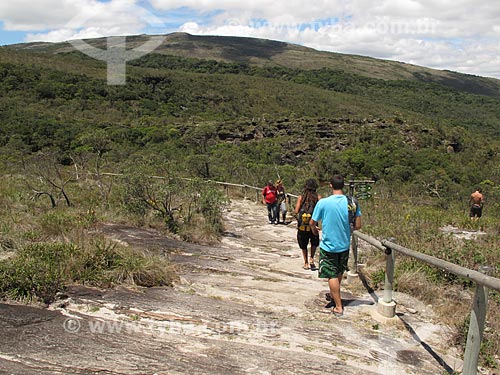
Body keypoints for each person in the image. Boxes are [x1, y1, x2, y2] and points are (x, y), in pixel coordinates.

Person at [310, 174, 361, 317]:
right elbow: (358, 225)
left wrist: (315, 231)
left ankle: (338, 306)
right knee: (339, 272)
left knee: (331, 274)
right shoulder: (352, 202)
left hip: (329, 246)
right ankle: (335, 295)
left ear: (330, 185)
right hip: (344, 244)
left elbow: (312, 222)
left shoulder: (324, 203)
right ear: (343, 185)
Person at [294, 178, 321, 270]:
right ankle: (312, 258)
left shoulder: (301, 197)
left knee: (303, 243)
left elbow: (296, 210)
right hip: (313, 225)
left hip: (302, 226)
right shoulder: (318, 197)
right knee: (314, 242)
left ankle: (305, 262)